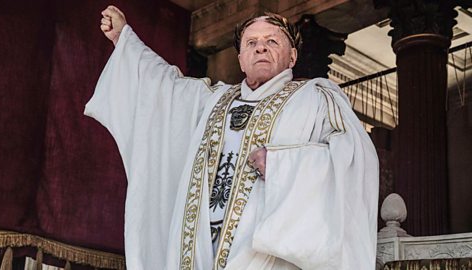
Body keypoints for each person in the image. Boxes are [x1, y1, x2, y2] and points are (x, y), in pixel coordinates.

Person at [85, 5, 379, 270]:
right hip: (199, 247)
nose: (260, 48)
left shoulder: (316, 98)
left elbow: (354, 160)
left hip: (265, 255)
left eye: (272, 41)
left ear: (292, 57)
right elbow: (163, 86)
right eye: (252, 43)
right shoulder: (212, 99)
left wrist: (284, 165)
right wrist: (124, 38)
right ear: (240, 59)